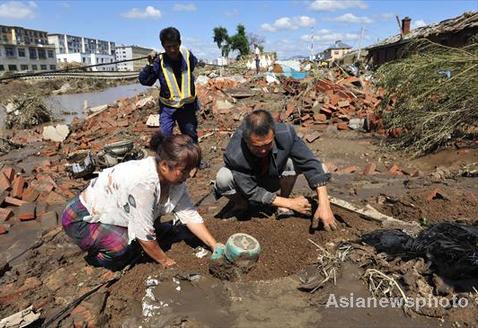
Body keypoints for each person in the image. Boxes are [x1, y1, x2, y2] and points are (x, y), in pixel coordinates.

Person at [62, 132, 223, 270]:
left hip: (117, 211)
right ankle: (98, 259)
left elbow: (189, 215)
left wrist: (214, 245)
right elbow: (144, 234)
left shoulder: (173, 180)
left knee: (160, 230)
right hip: (81, 218)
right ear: (165, 166)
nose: (192, 175)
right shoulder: (144, 185)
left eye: (193, 169)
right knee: (122, 247)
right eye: (185, 170)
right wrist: (167, 262)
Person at [214, 110, 338, 231]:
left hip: (274, 177)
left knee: (305, 165)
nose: (263, 151)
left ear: (273, 134)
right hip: (248, 184)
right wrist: (291, 203)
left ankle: (283, 202)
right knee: (223, 178)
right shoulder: (234, 153)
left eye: (267, 144)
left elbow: (310, 162)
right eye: (257, 147)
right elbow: (251, 190)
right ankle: (242, 205)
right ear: (246, 141)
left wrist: (324, 203)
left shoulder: (285, 133)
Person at [139, 27, 208, 169]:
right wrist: (149, 65)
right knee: (164, 137)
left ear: (180, 43)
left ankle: (196, 161)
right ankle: (163, 165)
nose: (172, 50)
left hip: (187, 107)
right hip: (168, 109)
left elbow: (193, 65)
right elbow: (145, 81)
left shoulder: (188, 56)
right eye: (168, 47)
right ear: (163, 46)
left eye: (174, 46)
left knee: (190, 135)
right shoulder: (159, 61)